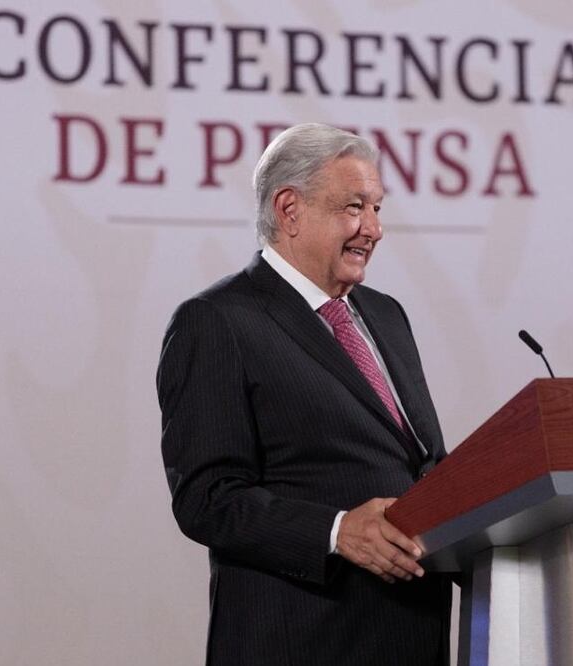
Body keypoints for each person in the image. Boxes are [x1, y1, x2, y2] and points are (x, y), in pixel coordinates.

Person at [157, 123, 451, 665]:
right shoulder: (217, 321)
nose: (374, 229)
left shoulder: (385, 315)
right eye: (355, 207)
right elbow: (207, 499)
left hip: (411, 636)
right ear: (289, 209)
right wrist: (337, 532)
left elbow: (422, 462)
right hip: (302, 640)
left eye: (378, 208)